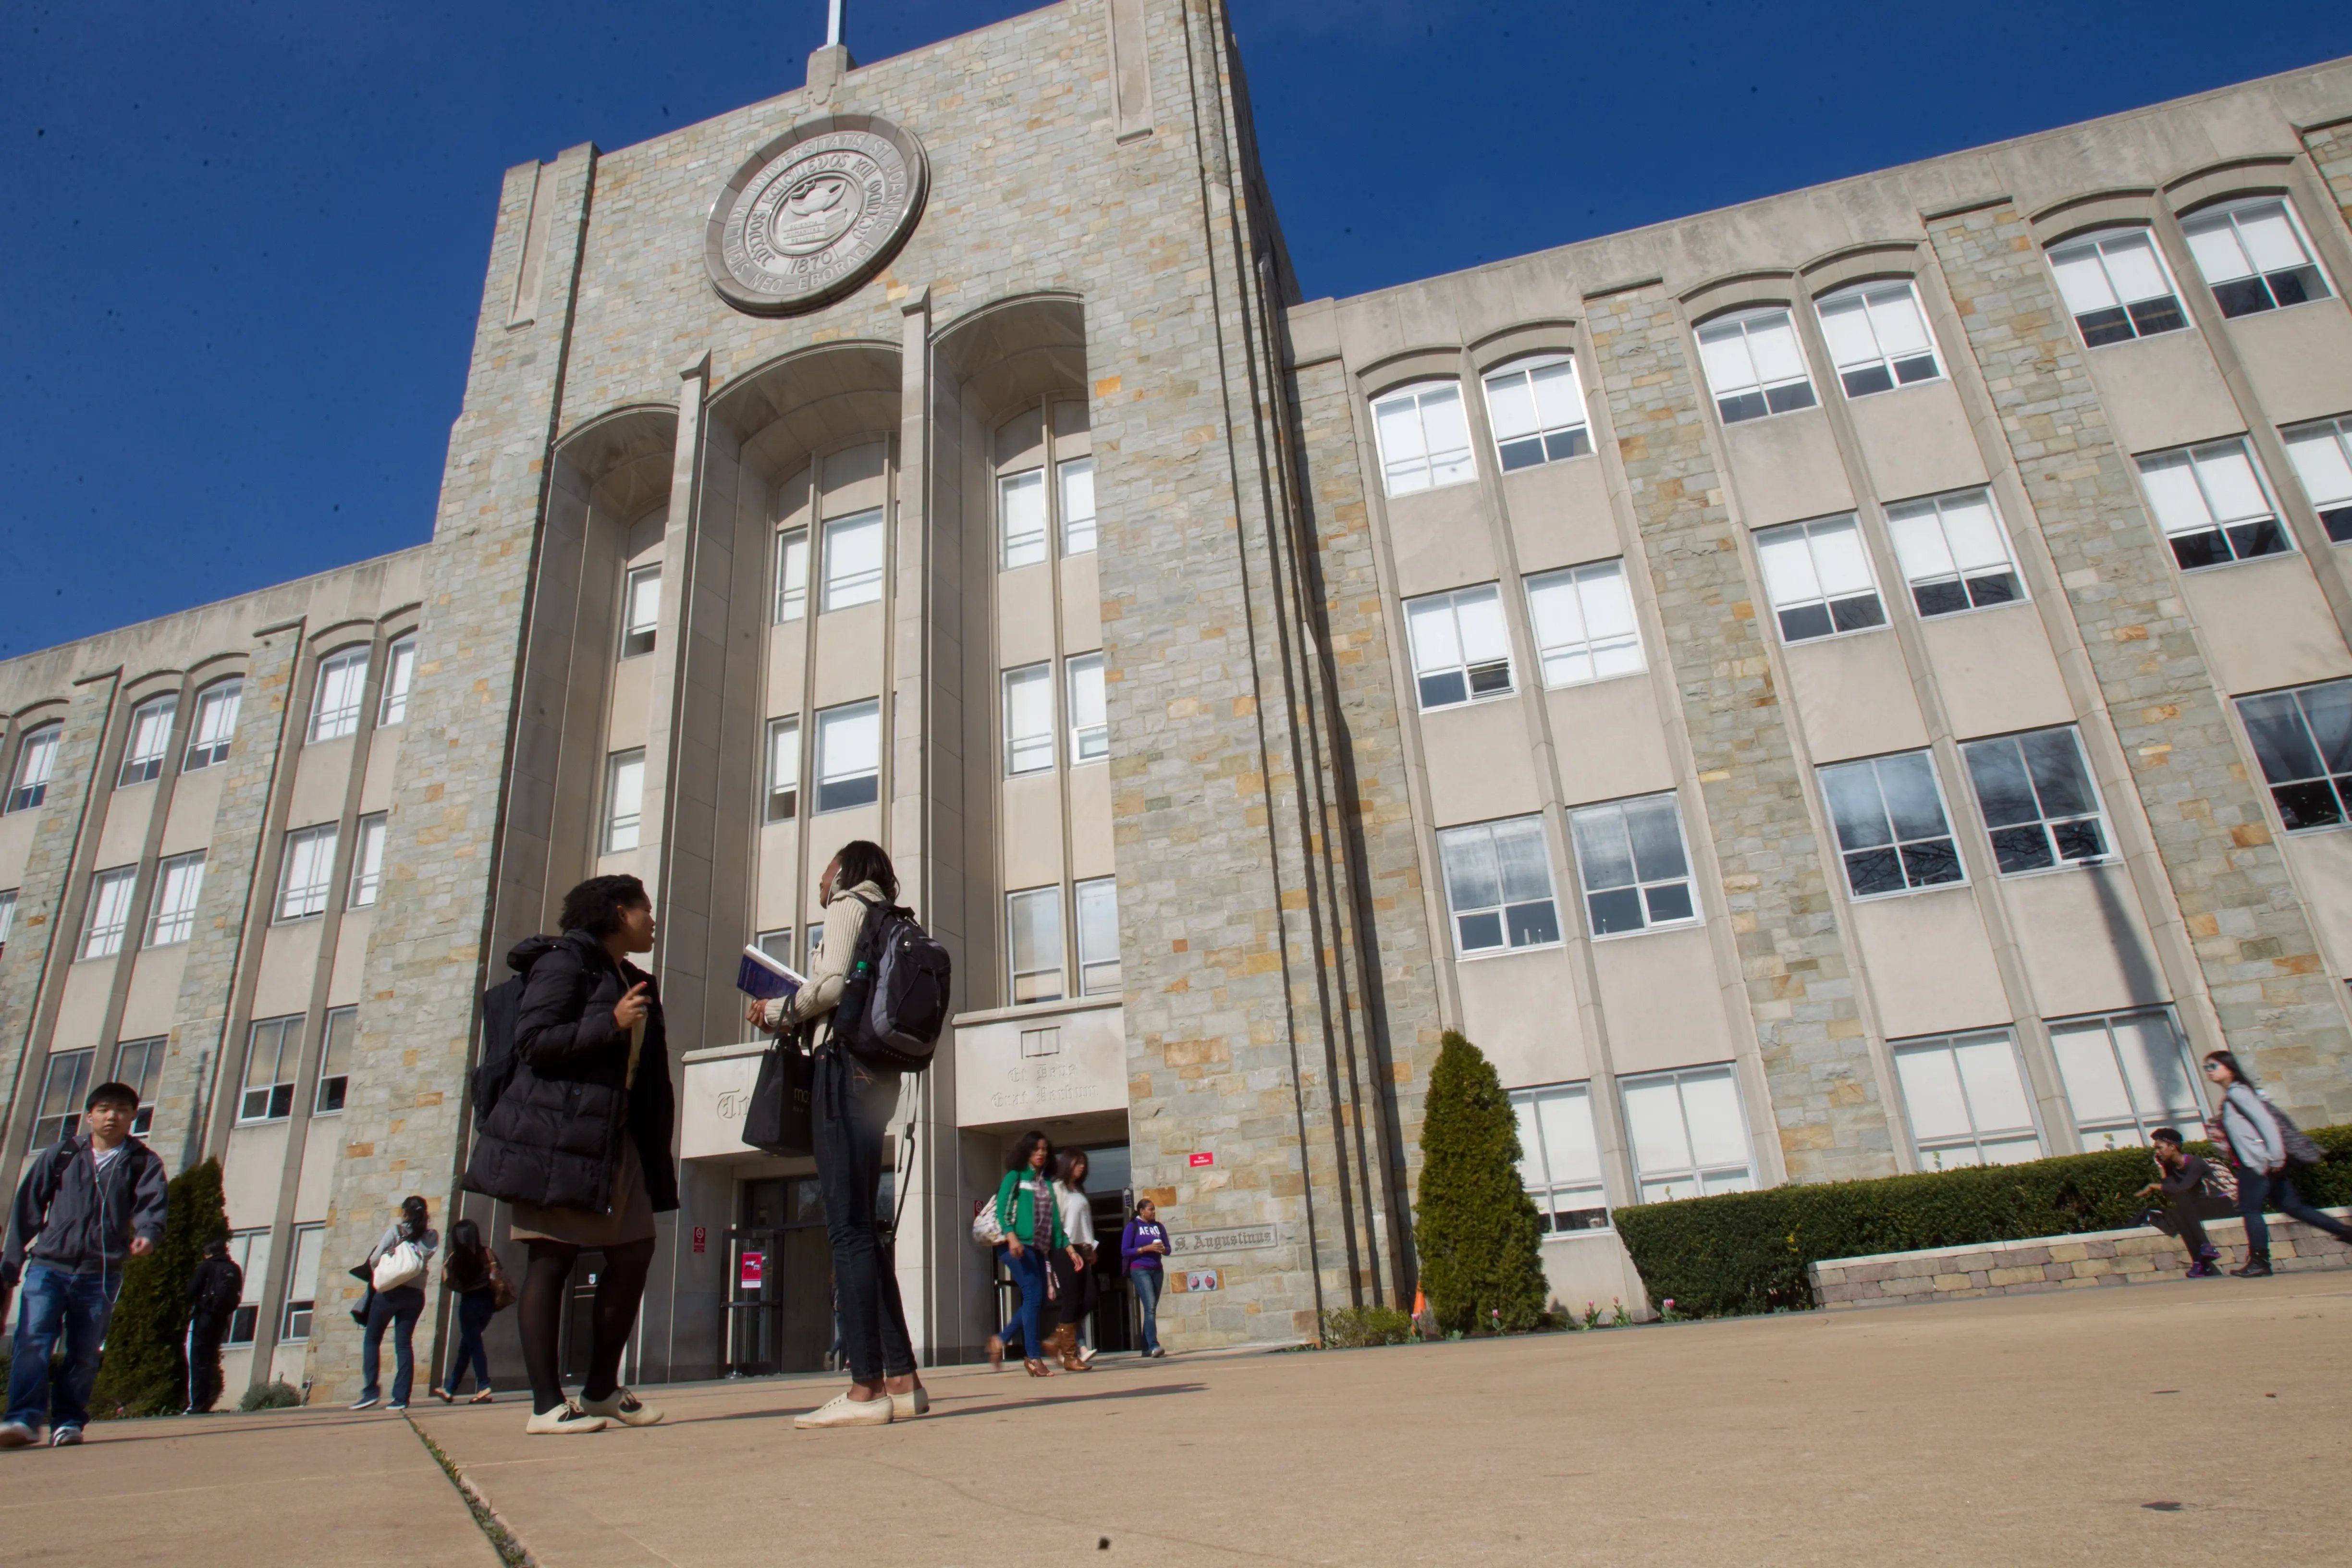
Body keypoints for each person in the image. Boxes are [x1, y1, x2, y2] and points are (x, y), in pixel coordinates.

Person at [466, 873, 678, 1434]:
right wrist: (609, 1022)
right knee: (551, 1259)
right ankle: (546, 1405)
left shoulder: (634, 978)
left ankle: (602, 1389)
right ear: (618, 912)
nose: (653, 920)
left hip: (615, 1138)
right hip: (554, 1135)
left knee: (634, 1252)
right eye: (645, 909)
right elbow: (533, 1042)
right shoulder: (565, 962)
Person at [747, 841, 928, 1428]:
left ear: (846, 871)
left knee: (847, 1230)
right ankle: (901, 1378)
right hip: (877, 1077)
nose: (820, 881)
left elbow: (829, 987)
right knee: (864, 1231)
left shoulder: (850, 904)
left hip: (842, 1070)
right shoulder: (892, 918)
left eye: (826, 869)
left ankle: (865, 1388)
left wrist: (777, 1011)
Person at [0, 1081, 167, 1448]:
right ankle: (23, 1420)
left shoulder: (143, 1161)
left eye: (121, 1110)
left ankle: (68, 1422)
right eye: (104, 1109)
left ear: (134, 1117)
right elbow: (27, 1209)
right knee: (32, 1341)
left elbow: (152, 1206)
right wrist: (11, 1265)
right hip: (48, 1267)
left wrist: (148, 1235)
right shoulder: (62, 1154)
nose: (112, 1116)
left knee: (84, 1350)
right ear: (89, 1116)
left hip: (100, 1274)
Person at [2203, 1050, 2352, 1278]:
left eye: (2213, 1066)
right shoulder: (2234, 1095)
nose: (2209, 1072)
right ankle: (2346, 1233)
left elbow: (2267, 1124)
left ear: (2229, 1068)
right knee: (2293, 1207)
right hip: (2262, 1162)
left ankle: (2260, 1262)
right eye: (2206, 1068)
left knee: (2251, 1210)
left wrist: (2276, 1157)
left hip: (2258, 1164)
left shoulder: (2238, 1093)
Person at [982, 1130, 1066, 1378]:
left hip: (1037, 1246)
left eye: (1044, 1150)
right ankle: (1033, 1357)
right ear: (1026, 1152)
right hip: (1015, 1244)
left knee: (1038, 1299)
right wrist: (1012, 1237)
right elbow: (1003, 1210)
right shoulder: (1016, 1176)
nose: (1041, 1154)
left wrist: (1068, 1247)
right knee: (1033, 1295)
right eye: (1036, 1149)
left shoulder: (1045, 1183)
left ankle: (1001, 1339)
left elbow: (1055, 1221)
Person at [354, 1196, 438, 1412]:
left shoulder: (396, 1232)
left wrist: (388, 1258)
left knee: (372, 1339)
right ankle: (401, 1398)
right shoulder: (432, 1236)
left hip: (389, 1293)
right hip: (415, 1295)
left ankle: (370, 1392)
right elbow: (424, 1256)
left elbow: (374, 1260)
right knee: (404, 1344)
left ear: (404, 1213)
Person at [430, 1219, 507, 1404]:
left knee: (474, 1345)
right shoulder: (487, 1253)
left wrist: (446, 1273)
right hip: (487, 1303)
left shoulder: (457, 1258)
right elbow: (499, 1272)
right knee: (467, 1345)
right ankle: (450, 1389)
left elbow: (452, 1284)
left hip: (469, 1304)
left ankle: (484, 1385)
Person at [2135, 1128, 2229, 1278]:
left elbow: (2181, 1188)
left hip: (2218, 1203)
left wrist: (2154, 1186)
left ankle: (2205, 1249)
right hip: (2193, 1207)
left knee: (2181, 1202)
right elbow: (2171, 1193)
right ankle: (2200, 1261)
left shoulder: (2195, 1163)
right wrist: (2162, 1169)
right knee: (2176, 1211)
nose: (2157, 1152)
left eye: (2160, 1148)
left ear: (2173, 1147)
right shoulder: (2170, 1166)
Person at [1050, 1149, 1097, 1372]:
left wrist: (1091, 1247)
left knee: (1089, 1299)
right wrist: (1069, 1248)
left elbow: (1085, 1222)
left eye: (1084, 1164)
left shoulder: (1078, 1190)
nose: (1082, 1167)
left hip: (1082, 1249)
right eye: (1078, 1163)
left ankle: (1056, 1340)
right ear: (1068, 1164)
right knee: (1072, 1300)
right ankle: (1070, 1355)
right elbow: (1055, 1223)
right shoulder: (1057, 1188)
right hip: (1064, 1247)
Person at [185, 1237, 245, 1413]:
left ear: (208, 1253)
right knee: (211, 1359)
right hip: (222, 1319)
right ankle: (207, 1401)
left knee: (197, 1359)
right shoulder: (234, 1269)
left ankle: (197, 1404)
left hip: (204, 1317)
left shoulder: (207, 1266)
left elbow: (191, 1291)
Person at [1120, 1198, 1170, 1358]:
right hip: (1140, 1269)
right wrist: (1145, 1249)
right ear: (1142, 1211)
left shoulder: (1159, 1227)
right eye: (1151, 1209)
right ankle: (1154, 1345)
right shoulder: (1133, 1226)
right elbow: (1125, 1251)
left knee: (1151, 1308)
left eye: (1154, 1209)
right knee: (1150, 1307)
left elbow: (1169, 1249)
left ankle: (1146, 1348)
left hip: (1157, 1270)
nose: (1154, 1212)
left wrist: (1162, 1249)